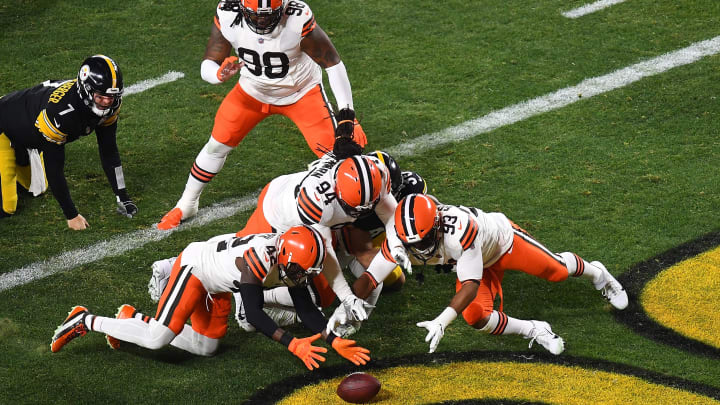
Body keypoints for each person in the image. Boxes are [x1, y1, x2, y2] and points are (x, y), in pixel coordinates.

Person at [157, 0, 367, 231]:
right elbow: (209, 61)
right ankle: (187, 203)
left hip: (301, 93)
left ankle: (358, 215)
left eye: (269, 15)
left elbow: (333, 64)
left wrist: (347, 114)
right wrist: (218, 75)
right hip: (252, 92)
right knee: (216, 145)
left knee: (341, 156)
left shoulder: (297, 18)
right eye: (256, 15)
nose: (262, 21)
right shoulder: (228, 13)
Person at [341, 193, 629, 355]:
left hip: (503, 243)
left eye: (425, 239)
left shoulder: (460, 230)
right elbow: (370, 278)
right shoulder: (401, 240)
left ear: (438, 224)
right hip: (472, 265)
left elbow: (469, 285)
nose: (421, 247)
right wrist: (344, 308)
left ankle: (598, 274)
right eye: (413, 242)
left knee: (557, 271)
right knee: (476, 316)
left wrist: (441, 321)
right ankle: (535, 329)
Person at [50, 225, 370, 370]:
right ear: (285, 256)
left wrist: (332, 336)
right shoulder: (259, 260)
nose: (302, 279)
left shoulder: (292, 254)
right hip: (196, 270)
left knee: (206, 347)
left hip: (218, 283)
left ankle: (131, 320)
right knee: (157, 338)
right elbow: (255, 315)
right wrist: (292, 343)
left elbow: (305, 304)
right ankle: (85, 320)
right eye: (300, 272)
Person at [0, 55, 137, 228]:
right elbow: (55, 168)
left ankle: (20, 154)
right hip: (4, 126)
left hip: (31, 130)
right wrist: (71, 215)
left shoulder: (109, 104)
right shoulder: (60, 113)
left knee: (37, 188)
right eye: (101, 96)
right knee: (7, 206)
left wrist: (122, 196)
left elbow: (109, 151)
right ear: (86, 90)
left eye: (112, 96)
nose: (107, 102)